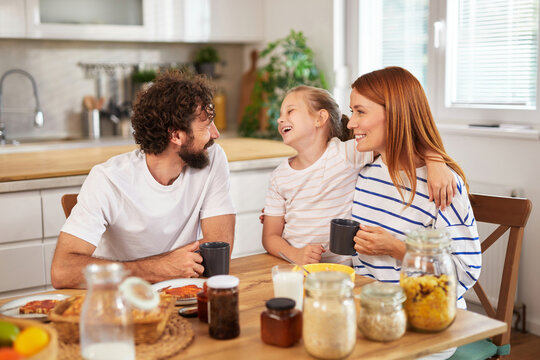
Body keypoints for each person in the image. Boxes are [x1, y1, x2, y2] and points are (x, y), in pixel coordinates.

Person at [51, 70, 236, 289]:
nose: (216, 134)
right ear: (175, 135)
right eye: (206, 126)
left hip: (184, 294)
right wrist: (158, 268)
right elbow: (62, 271)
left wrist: (167, 268)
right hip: (120, 300)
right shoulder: (108, 179)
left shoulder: (212, 158)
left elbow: (219, 248)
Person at [348, 67, 481, 359]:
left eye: (360, 112)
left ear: (395, 113)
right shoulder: (365, 171)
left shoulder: (441, 185)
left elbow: (465, 273)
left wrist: (398, 249)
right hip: (373, 310)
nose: (351, 123)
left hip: (426, 318)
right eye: (351, 111)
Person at [262, 85, 457, 265]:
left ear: (320, 118)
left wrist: (435, 161)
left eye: (290, 111)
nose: (280, 119)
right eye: (280, 114)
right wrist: (293, 254)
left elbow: (399, 141)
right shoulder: (280, 176)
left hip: (344, 273)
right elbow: (270, 237)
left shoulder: (346, 154)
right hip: (294, 268)